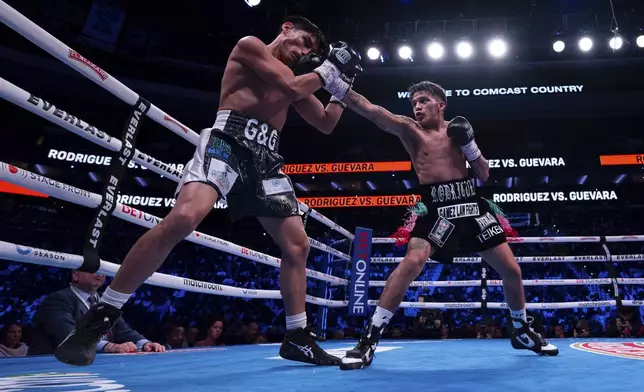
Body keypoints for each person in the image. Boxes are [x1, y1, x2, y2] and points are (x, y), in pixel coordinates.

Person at [55, 16, 362, 367]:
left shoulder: (296, 77)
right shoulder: (252, 46)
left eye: (312, 52)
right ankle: (99, 319)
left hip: (266, 156)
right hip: (227, 141)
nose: (305, 52)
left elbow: (325, 122)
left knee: (298, 244)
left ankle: (297, 337)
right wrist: (329, 69)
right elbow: (293, 88)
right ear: (288, 27)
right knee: (184, 218)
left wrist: (343, 82)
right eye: (306, 42)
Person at [338, 81, 558, 370]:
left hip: (470, 204)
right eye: (413, 102)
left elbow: (482, 173)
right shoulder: (409, 129)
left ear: (441, 104)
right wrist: (336, 82)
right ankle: (370, 338)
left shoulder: (457, 131)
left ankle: (521, 330)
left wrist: (469, 144)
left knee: (512, 270)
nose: (416, 107)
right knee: (413, 261)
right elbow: (370, 109)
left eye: (423, 100)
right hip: (436, 208)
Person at [29, 271, 164, 356]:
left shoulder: (105, 300)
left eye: (102, 270)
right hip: (50, 366)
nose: (99, 273)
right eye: (93, 269)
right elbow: (69, 335)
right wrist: (109, 346)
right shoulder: (58, 300)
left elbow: (123, 330)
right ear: (75, 275)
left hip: (92, 364)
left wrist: (145, 343)